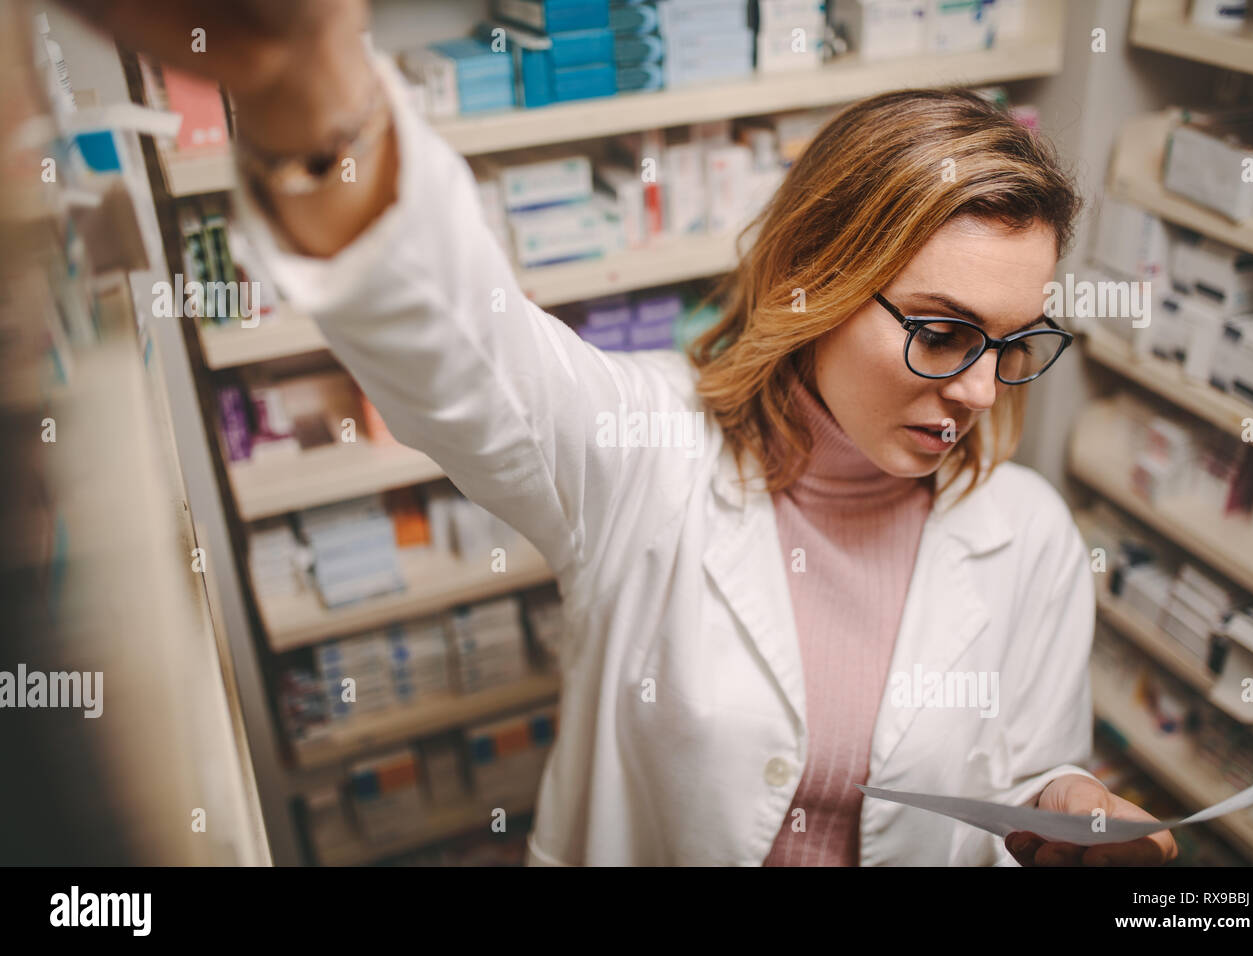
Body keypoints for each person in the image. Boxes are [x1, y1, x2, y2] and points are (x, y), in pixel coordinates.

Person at [67, 0, 1177, 866]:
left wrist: (1059, 804)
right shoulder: (645, 451)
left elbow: (1026, 761)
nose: (983, 393)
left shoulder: (1025, 532)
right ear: (812, 284)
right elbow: (457, 346)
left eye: (1013, 341)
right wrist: (310, 88)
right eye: (941, 333)